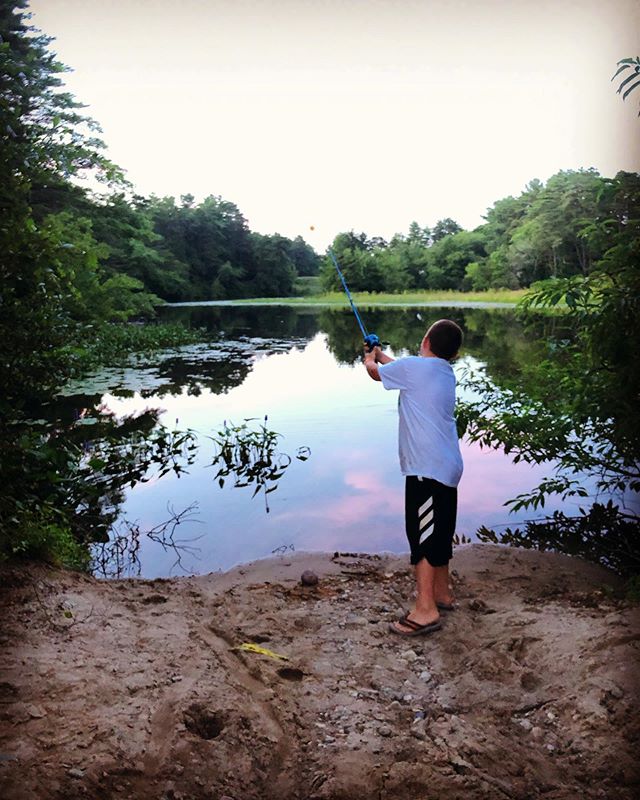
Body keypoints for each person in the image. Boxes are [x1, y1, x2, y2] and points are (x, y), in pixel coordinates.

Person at [363, 319, 464, 637]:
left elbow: (377, 373)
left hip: (425, 469)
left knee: (422, 536)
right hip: (447, 467)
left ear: (425, 341)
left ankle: (425, 610)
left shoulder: (415, 369)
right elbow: (401, 369)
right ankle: (442, 593)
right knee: (441, 529)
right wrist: (381, 354)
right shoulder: (442, 372)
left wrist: (369, 358)